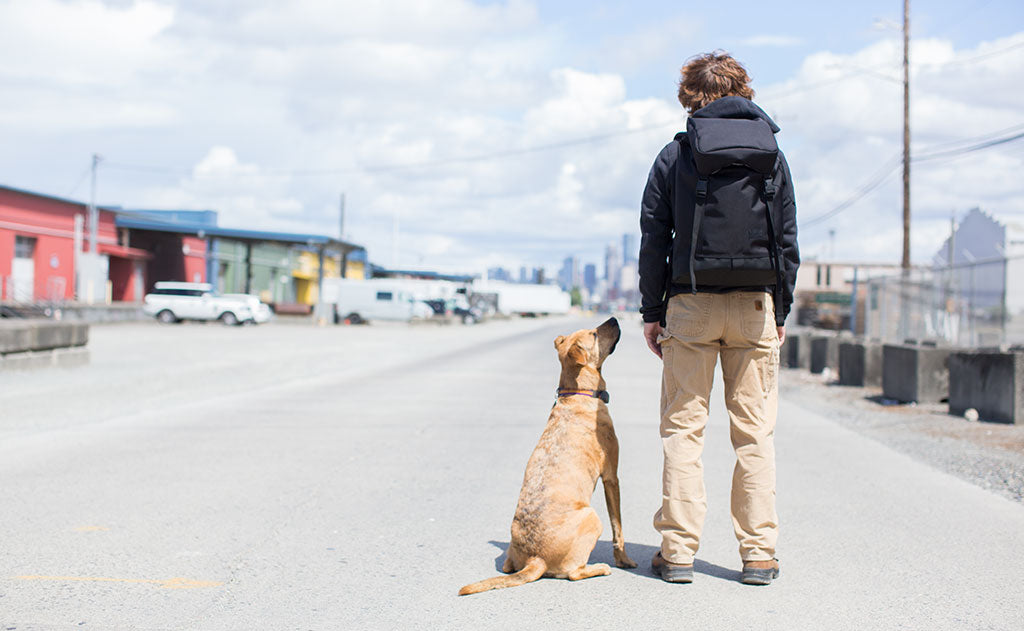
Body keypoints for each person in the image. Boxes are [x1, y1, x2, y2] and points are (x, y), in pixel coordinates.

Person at [638, 51, 799, 586]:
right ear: (742, 90)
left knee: (684, 430)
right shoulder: (773, 156)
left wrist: (652, 311)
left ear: (690, 96)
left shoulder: (675, 155)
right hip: (755, 306)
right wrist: (781, 307)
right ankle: (758, 555)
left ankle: (678, 553)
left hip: (691, 303)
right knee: (754, 436)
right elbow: (789, 239)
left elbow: (654, 237)